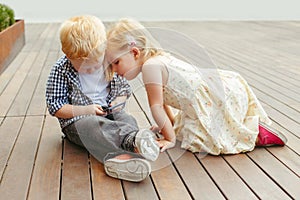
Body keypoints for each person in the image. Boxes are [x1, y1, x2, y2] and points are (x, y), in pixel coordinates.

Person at [105, 18, 287, 155]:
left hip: (213, 97)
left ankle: (256, 133)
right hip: (217, 87)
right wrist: (172, 125)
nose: (113, 70)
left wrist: (169, 138)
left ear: (135, 52)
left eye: (116, 62)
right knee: (186, 131)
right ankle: (248, 124)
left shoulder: (150, 68)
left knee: (205, 142)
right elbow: (163, 104)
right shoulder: (157, 59)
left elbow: (156, 107)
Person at [45, 15, 159, 182]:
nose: (92, 70)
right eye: (86, 67)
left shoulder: (109, 61)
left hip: (108, 114)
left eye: (96, 65)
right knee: (92, 126)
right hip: (78, 121)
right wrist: (86, 110)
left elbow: (124, 89)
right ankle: (133, 143)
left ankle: (121, 158)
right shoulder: (61, 70)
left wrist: (118, 102)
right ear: (68, 56)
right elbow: (55, 106)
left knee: (125, 118)